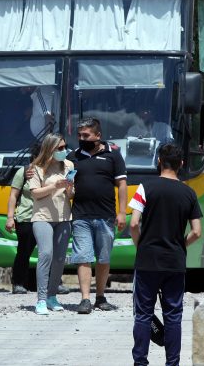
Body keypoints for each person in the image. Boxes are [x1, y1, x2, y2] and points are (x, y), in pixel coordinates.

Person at [128, 144, 203, 366]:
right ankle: (173, 363)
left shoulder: (145, 187)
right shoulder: (189, 192)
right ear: (181, 164)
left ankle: (140, 362)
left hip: (147, 259)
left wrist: (141, 245)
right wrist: (181, 245)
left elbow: (133, 224)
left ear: (159, 161)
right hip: (175, 261)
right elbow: (197, 231)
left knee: (143, 314)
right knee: (173, 315)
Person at [68, 117, 128, 314]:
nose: (82, 138)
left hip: (106, 216)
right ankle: (85, 299)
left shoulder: (114, 156)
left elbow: (122, 185)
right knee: (83, 256)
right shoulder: (73, 157)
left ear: (98, 135)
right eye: (79, 135)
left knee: (103, 258)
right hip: (80, 215)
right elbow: (64, 180)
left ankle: (100, 297)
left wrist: (121, 213)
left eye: (86, 135)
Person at [27, 134, 74, 315]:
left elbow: (70, 195)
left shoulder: (69, 165)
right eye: (60, 148)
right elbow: (35, 193)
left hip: (64, 217)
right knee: (46, 254)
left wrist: (69, 188)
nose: (64, 151)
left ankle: (52, 296)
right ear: (50, 149)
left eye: (64, 147)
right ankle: (40, 299)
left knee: (60, 258)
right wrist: (55, 186)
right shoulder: (36, 168)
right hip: (42, 217)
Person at [5, 142, 41, 294]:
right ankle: (19, 282)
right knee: (24, 251)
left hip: (46, 217)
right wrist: (10, 217)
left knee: (48, 252)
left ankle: (52, 282)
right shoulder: (24, 171)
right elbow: (13, 196)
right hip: (26, 218)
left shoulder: (53, 171)